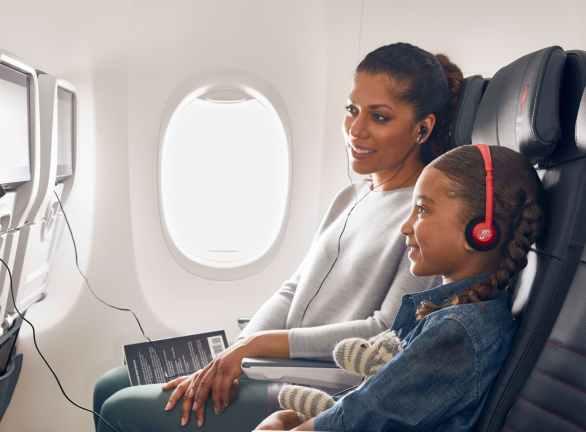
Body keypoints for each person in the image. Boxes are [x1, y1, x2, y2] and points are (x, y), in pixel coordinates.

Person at [94, 43, 462, 432]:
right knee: (110, 384)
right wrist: (236, 353)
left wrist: (256, 348)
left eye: (379, 117)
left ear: (422, 128)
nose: (356, 129)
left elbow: (386, 332)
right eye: (352, 109)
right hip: (275, 364)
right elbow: (293, 290)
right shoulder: (351, 195)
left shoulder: (422, 216)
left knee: (121, 409)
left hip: (322, 386)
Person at [255, 144, 544, 431]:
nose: (406, 226)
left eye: (422, 210)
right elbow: (366, 403)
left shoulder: (456, 333)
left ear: (481, 232)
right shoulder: (456, 318)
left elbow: (355, 421)